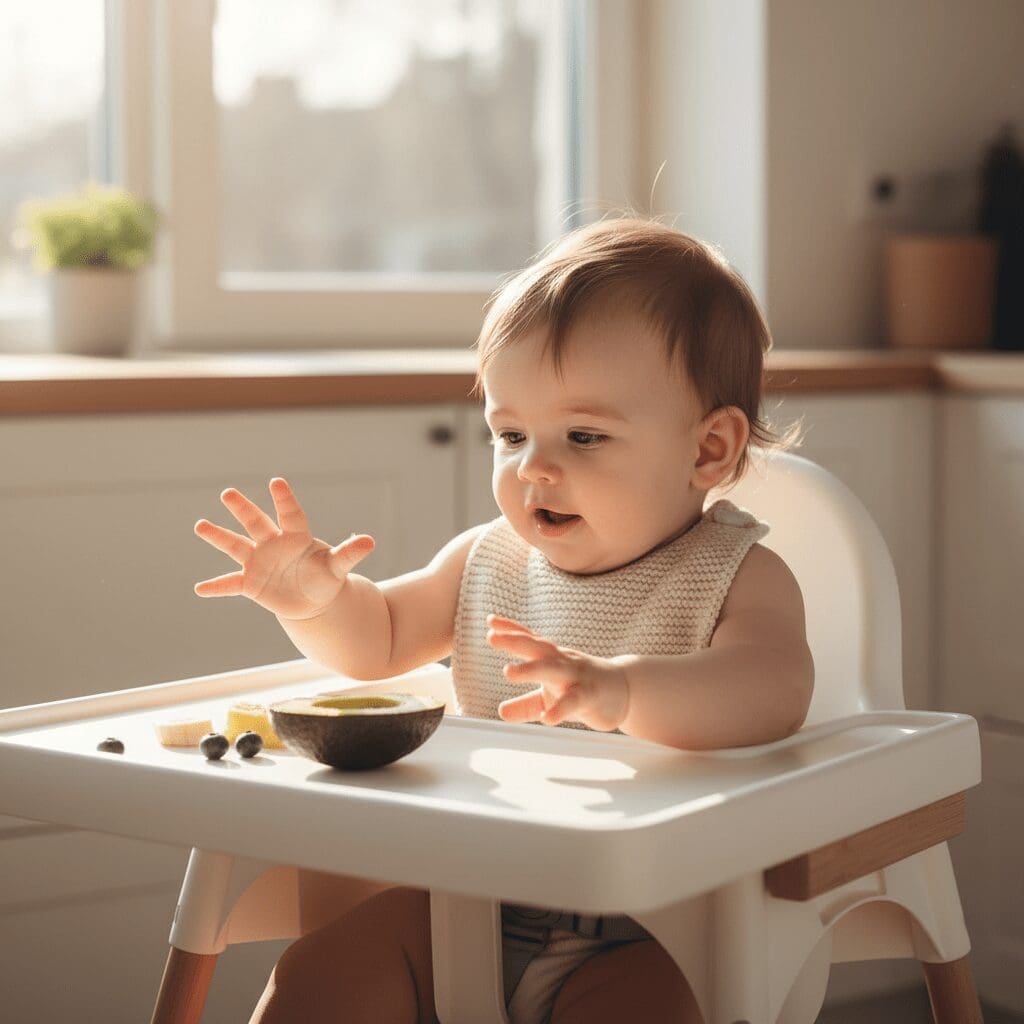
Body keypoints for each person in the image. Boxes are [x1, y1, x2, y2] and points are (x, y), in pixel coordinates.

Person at [193, 217, 815, 1024]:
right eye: (511, 434)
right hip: (470, 899)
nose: (535, 468)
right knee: (319, 975)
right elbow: (379, 638)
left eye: (583, 436)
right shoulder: (488, 561)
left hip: (654, 928)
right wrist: (317, 602)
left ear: (708, 451)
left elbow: (771, 688)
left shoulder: (734, 576)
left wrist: (621, 692)